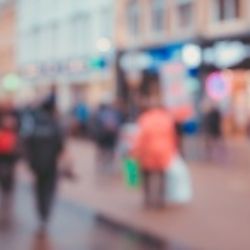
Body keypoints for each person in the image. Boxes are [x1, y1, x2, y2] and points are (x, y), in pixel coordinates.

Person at [25, 99, 64, 225]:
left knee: (38, 189)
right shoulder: (54, 124)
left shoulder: (33, 123)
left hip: (36, 163)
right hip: (51, 164)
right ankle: (45, 212)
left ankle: (41, 212)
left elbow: (27, 143)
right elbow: (60, 144)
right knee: (49, 189)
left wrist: (29, 161)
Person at [133, 99, 177, 208]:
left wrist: (136, 150)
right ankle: (160, 199)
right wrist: (172, 150)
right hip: (163, 151)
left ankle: (148, 199)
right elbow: (172, 136)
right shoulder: (167, 119)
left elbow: (141, 137)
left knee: (146, 175)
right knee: (162, 175)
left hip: (148, 151)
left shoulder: (145, 118)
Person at [92, 99, 124, 174]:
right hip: (109, 136)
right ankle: (107, 165)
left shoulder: (100, 114)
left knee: (103, 150)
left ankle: (102, 165)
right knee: (109, 150)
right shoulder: (115, 113)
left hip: (103, 136)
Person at [0, 99, 19, 201]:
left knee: (9, 175)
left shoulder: (16, 115)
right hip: (3, 152)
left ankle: (7, 189)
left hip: (10, 153)